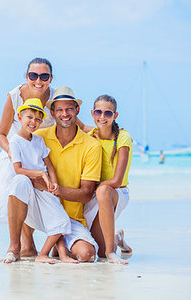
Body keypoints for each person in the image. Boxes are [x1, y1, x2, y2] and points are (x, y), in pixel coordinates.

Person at [11, 86, 102, 262]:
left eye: (69, 108)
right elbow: (19, 169)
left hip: (71, 218)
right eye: (59, 109)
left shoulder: (92, 146)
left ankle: (60, 246)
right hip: (40, 211)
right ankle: (20, 246)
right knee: (19, 182)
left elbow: (86, 195)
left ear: (77, 110)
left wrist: (54, 188)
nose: (64, 114)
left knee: (87, 255)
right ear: (52, 113)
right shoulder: (38, 136)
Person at [0, 58, 55, 257]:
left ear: (50, 78)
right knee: (17, 182)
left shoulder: (55, 97)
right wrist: (12, 152)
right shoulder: (14, 96)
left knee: (47, 188)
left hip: (42, 151)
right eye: (33, 75)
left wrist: (97, 130)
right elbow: (1, 134)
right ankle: (24, 245)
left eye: (44, 76)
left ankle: (56, 240)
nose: (38, 80)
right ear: (27, 76)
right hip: (14, 149)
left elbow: (74, 122)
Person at [2, 98, 77, 264]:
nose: (33, 122)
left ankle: (48, 254)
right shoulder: (14, 141)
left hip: (44, 189)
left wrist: (54, 182)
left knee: (61, 221)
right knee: (20, 180)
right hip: (29, 187)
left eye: (37, 119)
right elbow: (18, 169)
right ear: (20, 117)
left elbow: (49, 165)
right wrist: (40, 175)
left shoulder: (39, 141)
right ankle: (14, 247)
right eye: (29, 117)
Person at [77, 94, 133, 264]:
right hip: (98, 194)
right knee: (97, 250)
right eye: (98, 112)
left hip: (116, 192)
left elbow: (116, 180)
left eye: (108, 113)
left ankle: (111, 253)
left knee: (103, 190)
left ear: (115, 116)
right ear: (92, 113)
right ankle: (117, 238)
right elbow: (74, 120)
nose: (102, 117)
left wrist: (94, 187)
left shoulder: (122, 137)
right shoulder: (92, 134)